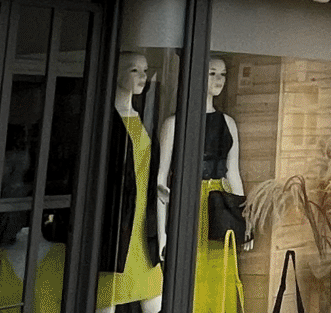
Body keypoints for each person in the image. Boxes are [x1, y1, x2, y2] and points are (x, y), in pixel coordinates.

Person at [159, 57, 246, 313]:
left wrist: (242, 219)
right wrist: (163, 233)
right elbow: (161, 181)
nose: (219, 80)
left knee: (220, 274)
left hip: (220, 204)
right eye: (212, 73)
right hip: (190, 203)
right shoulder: (174, 124)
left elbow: (234, 172)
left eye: (223, 74)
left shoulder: (228, 123)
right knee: (191, 271)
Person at [97, 52, 162, 313]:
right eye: (134, 70)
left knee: (154, 300)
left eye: (145, 70)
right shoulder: (103, 120)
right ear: (116, 72)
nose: (143, 77)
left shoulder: (144, 117)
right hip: (116, 224)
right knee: (108, 299)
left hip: (144, 224)